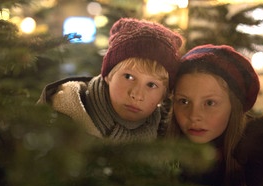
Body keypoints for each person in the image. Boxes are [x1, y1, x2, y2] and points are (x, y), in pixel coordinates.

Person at [167, 44, 263, 186]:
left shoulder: (257, 151)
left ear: (234, 105)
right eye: (184, 101)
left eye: (210, 103)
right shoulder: (159, 141)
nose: (194, 116)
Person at [37, 18, 183, 142]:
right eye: (128, 77)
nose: (137, 94)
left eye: (151, 84)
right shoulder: (59, 116)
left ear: (164, 95)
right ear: (108, 75)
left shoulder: (167, 136)